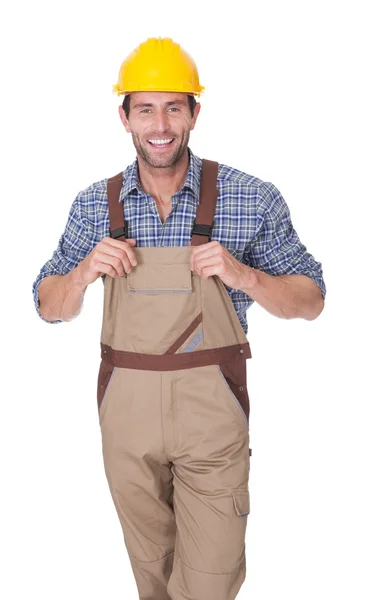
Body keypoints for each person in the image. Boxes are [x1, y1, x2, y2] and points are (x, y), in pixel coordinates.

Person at [32, 37, 326, 600]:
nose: (159, 123)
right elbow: (48, 306)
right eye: (145, 108)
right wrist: (82, 273)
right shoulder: (95, 205)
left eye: (174, 106)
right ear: (124, 117)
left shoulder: (250, 197)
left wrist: (246, 277)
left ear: (195, 112)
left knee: (209, 583)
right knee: (152, 578)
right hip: (127, 419)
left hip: (211, 417)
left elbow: (310, 299)